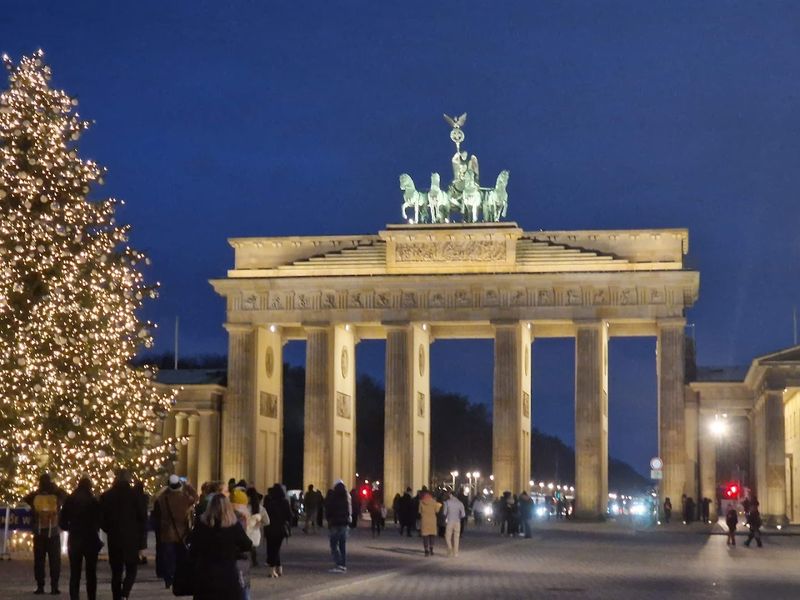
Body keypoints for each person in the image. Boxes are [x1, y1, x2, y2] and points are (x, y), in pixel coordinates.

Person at [189, 493, 253, 600]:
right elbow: (247, 545)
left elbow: (193, 548)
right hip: (228, 574)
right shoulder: (233, 525)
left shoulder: (201, 524)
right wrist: (234, 550)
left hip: (205, 574)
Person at [100, 470, 147, 600]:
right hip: (131, 539)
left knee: (116, 572)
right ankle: (125, 593)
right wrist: (141, 540)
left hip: (114, 538)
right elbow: (142, 518)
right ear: (128, 480)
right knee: (132, 569)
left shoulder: (107, 496)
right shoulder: (135, 496)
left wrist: (110, 529)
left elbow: (102, 519)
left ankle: (117, 597)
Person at [24, 473, 67, 595]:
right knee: (55, 561)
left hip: (39, 532)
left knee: (39, 561)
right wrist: (54, 488)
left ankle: (40, 586)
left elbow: (26, 498)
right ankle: (54, 587)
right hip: (53, 532)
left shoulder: (36, 496)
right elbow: (65, 496)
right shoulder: (56, 495)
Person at [59, 477, 102, 600]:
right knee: (91, 573)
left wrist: (70, 528)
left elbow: (62, 522)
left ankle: (74, 596)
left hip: (75, 539)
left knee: (75, 573)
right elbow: (99, 519)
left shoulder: (70, 500)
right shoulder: (93, 501)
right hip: (90, 539)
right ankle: (91, 597)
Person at [153, 474, 197, 590]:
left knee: (168, 557)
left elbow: (155, 499)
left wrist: (165, 489)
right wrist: (188, 486)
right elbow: (196, 497)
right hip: (182, 532)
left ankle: (169, 578)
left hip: (167, 532)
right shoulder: (184, 498)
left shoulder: (163, 499)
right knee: (181, 557)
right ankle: (179, 577)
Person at [263, 483, 292, 578]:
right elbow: (289, 516)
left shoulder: (270, 502)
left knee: (271, 548)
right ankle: (274, 569)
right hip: (280, 529)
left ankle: (276, 568)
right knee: (276, 549)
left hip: (269, 528)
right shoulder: (285, 502)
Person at [325, 480, 351, 573]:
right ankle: (343, 565)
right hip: (344, 524)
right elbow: (348, 511)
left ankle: (338, 564)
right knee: (342, 546)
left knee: (334, 545)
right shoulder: (345, 499)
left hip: (335, 524)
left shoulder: (333, 498)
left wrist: (329, 519)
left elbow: (329, 510)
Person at [245, 487, 268, 566]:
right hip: (255, 531)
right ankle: (254, 561)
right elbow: (267, 521)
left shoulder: (244, 508)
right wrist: (259, 524)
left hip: (245, 530)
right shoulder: (261, 508)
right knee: (253, 547)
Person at [418, 491, 441, 556]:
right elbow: (437, 511)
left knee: (425, 536)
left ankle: (426, 550)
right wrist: (439, 505)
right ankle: (431, 549)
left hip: (424, 520)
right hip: (432, 520)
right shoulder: (434, 502)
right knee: (432, 535)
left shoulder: (421, 502)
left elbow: (419, 511)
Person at [443, 491, 465, 557]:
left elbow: (444, 513)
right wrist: (459, 516)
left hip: (450, 521)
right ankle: (456, 553)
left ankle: (450, 548)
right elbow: (463, 515)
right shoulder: (460, 503)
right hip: (457, 522)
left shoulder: (447, 502)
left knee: (447, 536)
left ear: (451, 495)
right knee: (456, 537)